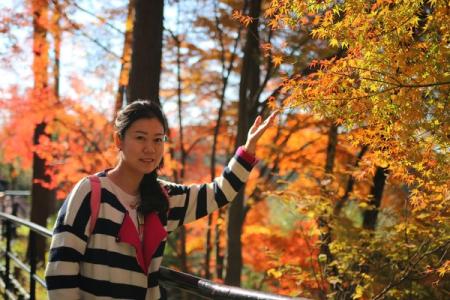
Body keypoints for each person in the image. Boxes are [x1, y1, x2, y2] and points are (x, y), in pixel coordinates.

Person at [45, 100, 278, 300]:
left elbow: (218, 194)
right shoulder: (90, 192)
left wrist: (248, 150)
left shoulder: (163, 198)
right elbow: (60, 271)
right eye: (140, 138)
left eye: (158, 140)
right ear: (119, 140)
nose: (150, 148)